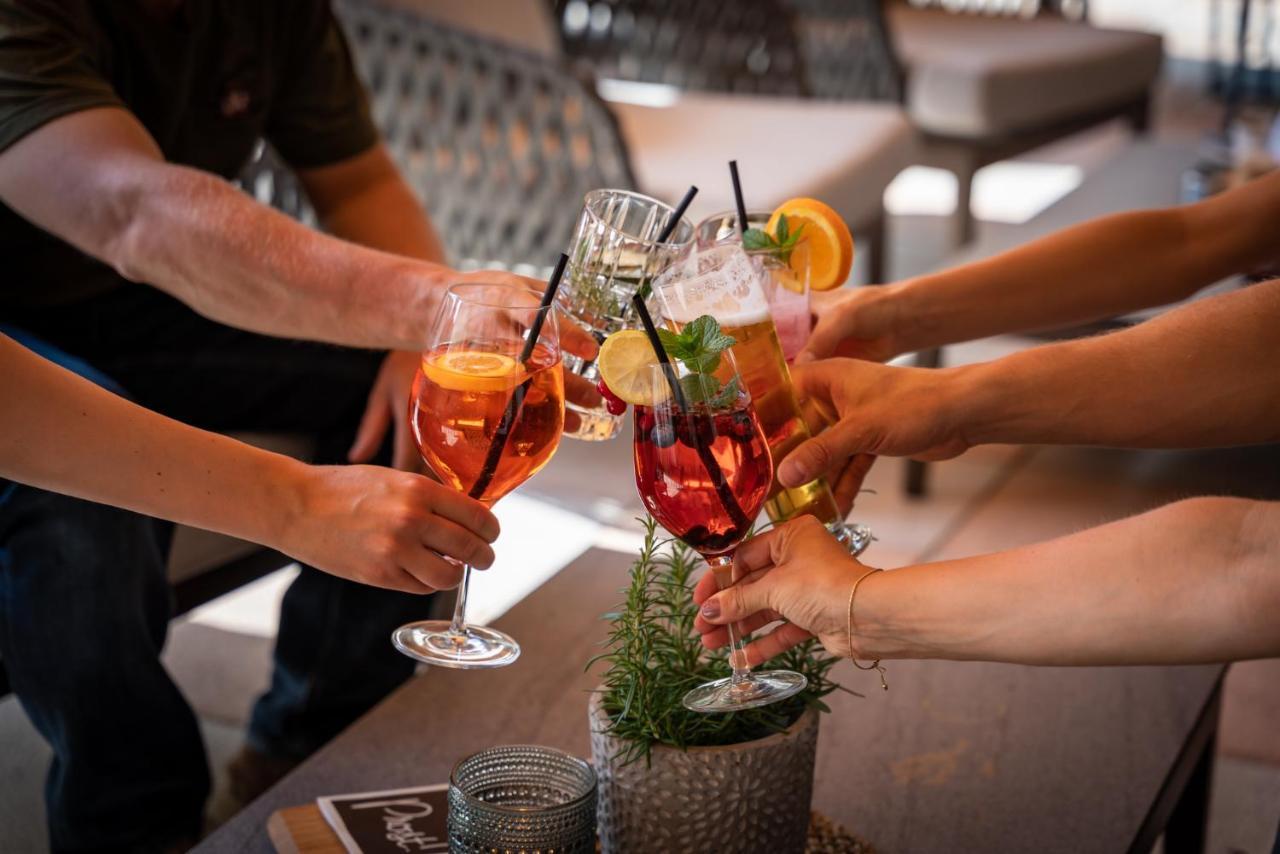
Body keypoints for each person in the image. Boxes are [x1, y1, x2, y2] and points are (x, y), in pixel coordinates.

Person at [0, 2, 591, 850]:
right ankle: (130, 819)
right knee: (81, 514)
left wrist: (408, 339)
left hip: (151, 304)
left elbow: (357, 183)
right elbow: (134, 212)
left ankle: (311, 745)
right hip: (29, 322)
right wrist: (429, 303)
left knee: (417, 398)